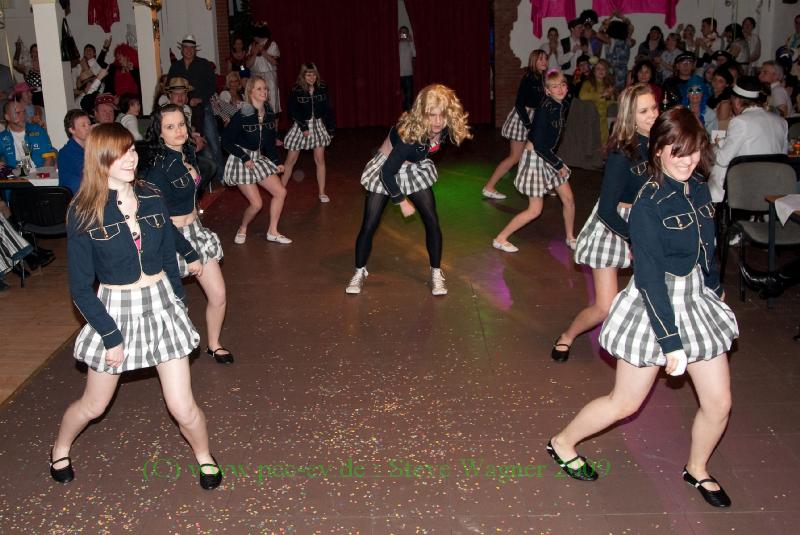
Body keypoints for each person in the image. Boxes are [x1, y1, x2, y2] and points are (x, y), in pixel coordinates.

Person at [548, 106, 738, 509]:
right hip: (656, 307)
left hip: (695, 300)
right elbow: (649, 278)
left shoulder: (699, 188)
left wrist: (716, 288)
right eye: (677, 151)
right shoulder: (649, 203)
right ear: (659, 151)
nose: (687, 160)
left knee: (719, 402)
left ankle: (697, 469)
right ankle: (562, 442)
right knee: (625, 403)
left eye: (693, 151)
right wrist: (670, 342)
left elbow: (707, 248)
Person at [49, 123, 221, 490]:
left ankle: (205, 455)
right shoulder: (83, 212)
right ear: (100, 160)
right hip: (115, 311)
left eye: (131, 150)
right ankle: (60, 447)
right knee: (94, 406)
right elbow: (80, 288)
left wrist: (179, 298)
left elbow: (168, 246)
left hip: (160, 301)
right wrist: (111, 337)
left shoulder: (150, 195)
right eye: (120, 154)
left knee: (182, 407)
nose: (131, 159)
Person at [552, 83, 658, 362]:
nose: (652, 115)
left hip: (646, 220)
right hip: (615, 226)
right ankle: (567, 336)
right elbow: (607, 210)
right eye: (643, 111)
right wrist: (634, 239)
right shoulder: (622, 152)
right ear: (629, 115)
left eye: (654, 108)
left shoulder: (660, 144)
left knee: (657, 295)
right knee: (605, 306)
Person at [345, 84, 471, 296]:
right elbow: (387, 173)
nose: (437, 121)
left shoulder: (444, 127)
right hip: (387, 167)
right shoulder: (409, 137)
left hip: (412, 168)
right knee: (370, 224)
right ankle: (359, 271)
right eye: (432, 115)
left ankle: (436, 272)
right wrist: (401, 201)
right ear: (422, 114)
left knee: (432, 221)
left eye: (442, 115)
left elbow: (433, 142)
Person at [142, 104, 233, 365]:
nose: (178, 131)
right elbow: (159, 218)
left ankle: (214, 344)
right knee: (173, 305)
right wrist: (188, 252)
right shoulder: (157, 170)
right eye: (170, 127)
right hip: (170, 238)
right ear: (159, 133)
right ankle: (171, 356)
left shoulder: (188, 154)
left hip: (196, 231)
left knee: (218, 295)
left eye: (181, 124)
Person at [492, 69, 575, 252]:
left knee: (568, 199)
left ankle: (570, 237)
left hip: (548, 156)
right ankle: (500, 238)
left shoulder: (560, 104)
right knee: (535, 210)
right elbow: (538, 145)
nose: (560, 89)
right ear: (547, 91)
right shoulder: (546, 109)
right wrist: (557, 164)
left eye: (562, 84)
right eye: (555, 86)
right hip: (535, 159)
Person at [222, 75, 289, 245]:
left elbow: (269, 144)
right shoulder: (242, 114)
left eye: (265, 88)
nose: (264, 91)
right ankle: (243, 227)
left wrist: (277, 162)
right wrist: (244, 157)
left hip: (258, 158)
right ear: (250, 92)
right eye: (259, 88)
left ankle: (273, 231)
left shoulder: (269, 114)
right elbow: (226, 141)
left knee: (280, 192)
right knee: (257, 204)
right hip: (241, 159)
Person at [709, 76, 788, 203]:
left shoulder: (740, 122)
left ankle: (712, 206)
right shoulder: (781, 122)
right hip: (774, 185)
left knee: (717, 166)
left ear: (737, 102)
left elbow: (723, 159)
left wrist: (713, 147)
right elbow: (782, 157)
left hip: (746, 186)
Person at [482, 50, 548, 200]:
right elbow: (519, 104)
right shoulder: (529, 78)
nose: (544, 61)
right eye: (540, 59)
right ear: (533, 61)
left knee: (540, 153)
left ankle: (546, 185)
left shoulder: (541, 78)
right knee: (515, 157)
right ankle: (489, 187)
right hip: (523, 119)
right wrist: (528, 125)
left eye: (545, 58)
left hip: (534, 118)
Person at [168, 34, 225, 170]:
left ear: (195, 50)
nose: (188, 50)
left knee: (212, 140)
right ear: (181, 49)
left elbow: (212, 86)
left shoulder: (204, 64)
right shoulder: (175, 66)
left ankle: (222, 175)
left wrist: (200, 99)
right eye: (186, 47)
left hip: (202, 107)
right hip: (181, 109)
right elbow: (169, 86)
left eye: (191, 48)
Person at [282, 63, 335, 202]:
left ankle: (322, 193)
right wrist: (304, 127)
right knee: (290, 161)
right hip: (301, 126)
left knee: (320, 160)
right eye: (308, 74)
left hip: (318, 126)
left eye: (314, 74)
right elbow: (292, 110)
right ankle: (280, 190)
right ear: (303, 75)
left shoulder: (322, 87)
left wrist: (331, 128)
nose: (312, 77)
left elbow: (328, 109)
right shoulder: (296, 89)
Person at [0, 100, 56, 169]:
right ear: (7, 117)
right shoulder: (2, 137)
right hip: (15, 174)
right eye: (17, 113)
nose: (22, 115)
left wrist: (42, 174)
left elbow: (49, 158)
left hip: (39, 172)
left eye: (24, 112)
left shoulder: (38, 130)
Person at [579, 59, 616, 145]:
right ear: (594, 71)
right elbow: (582, 96)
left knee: (604, 141)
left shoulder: (608, 84)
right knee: (591, 142)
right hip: (590, 118)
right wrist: (601, 95)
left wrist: (611, 97)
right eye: (598, 68)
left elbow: (607, 102)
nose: (601, 71)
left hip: (603, 118)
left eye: (603, 69)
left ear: (607, 72)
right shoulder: (588, 83)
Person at [596, 13, 636, 92]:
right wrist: (621, 16)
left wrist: (608, 20)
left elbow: (598, 34)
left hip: (612, 73)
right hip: (623, 73)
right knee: (620, 93)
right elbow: (631, 27)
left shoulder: (611, 41)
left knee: (611, 93)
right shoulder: (627, 41)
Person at [246, 23, 280, 113]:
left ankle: (273, 121)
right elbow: (248, 65)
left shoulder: (272, 44)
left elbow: (275, 62)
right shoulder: (252, 46)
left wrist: (262, 51)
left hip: (269, 76)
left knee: (272, 102)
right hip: (255, 76)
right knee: (256, 102)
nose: (254, 37)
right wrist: (254, 53)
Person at [57, 109, 92, 195]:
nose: (88, 128)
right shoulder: (67, 153)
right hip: (75, 199)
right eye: (83, 125)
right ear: (72, 130)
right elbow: (91, 174)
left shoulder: (90, 149)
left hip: (88, 195)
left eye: (89, 124)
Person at [399, 26, 416, 112]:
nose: (403, 34)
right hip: (398, 74)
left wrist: (411, 42)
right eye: (402, 32)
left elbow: (414, 54)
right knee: (399, 98)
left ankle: (408, 115)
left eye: (405, 32)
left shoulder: (409, 44)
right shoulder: (397, 45)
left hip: (408, 74)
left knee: (408, 98)